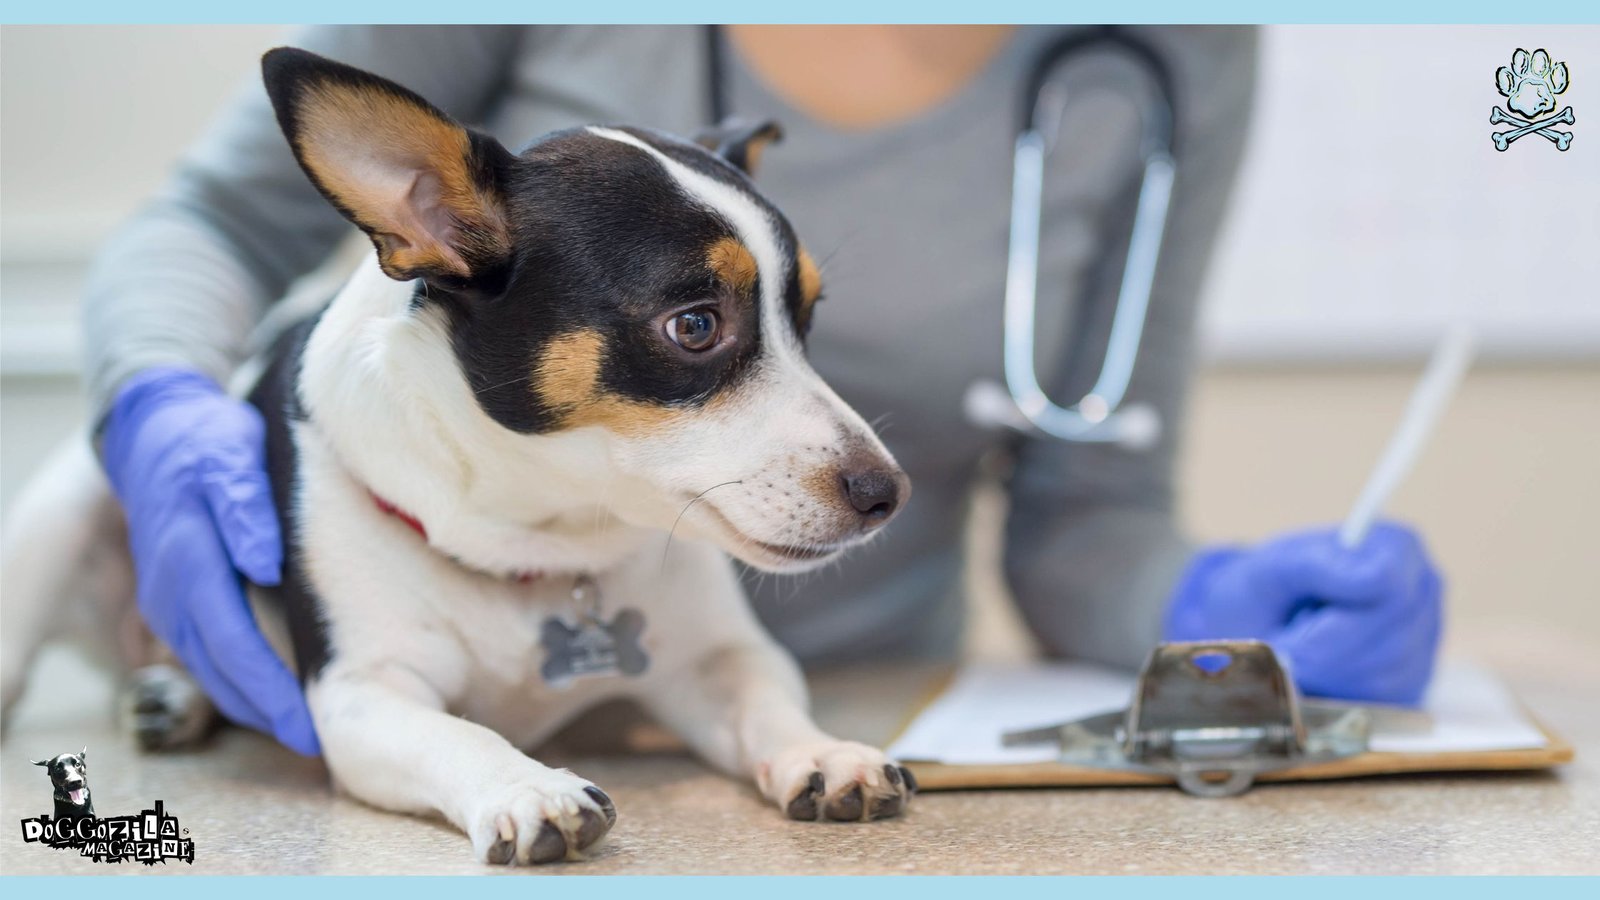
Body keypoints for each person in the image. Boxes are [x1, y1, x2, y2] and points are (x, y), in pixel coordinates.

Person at [86, 25, 1442, 757]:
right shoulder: (449, 192)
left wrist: (1210, 617)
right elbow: (203, 225)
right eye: (697, 319)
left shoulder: (1178, 44)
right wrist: (158, 404)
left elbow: (1091, 504)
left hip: (836, 712)